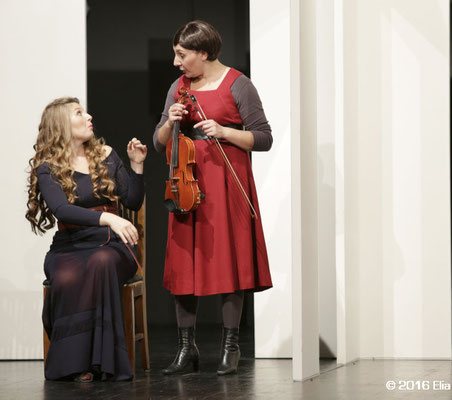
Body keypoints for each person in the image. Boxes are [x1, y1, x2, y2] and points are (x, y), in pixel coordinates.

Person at [153, 20, 273, 375]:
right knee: (184, 265)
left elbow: (264, 138)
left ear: (203, 53)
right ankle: (186, 349)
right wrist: (170, 122)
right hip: (186, 183)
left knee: (228, 261)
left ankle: (230, 347)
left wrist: (224, 132)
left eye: (182, 55)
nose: (176, 62)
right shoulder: (178, 87)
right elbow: (160, 141)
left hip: (225, 185)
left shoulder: (238, 84)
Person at [26, 97, 147, 381]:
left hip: (112, 245)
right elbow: (61, 209)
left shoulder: (106, 154)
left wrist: (136, 166)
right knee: (66, 277)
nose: (89, 116)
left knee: (101, 261)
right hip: (70, 245)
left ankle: (103, 361)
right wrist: (108, 218)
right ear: (61, 126)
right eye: (79, 113)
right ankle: (74, 363)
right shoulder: (48, 166)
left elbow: (132, 200)